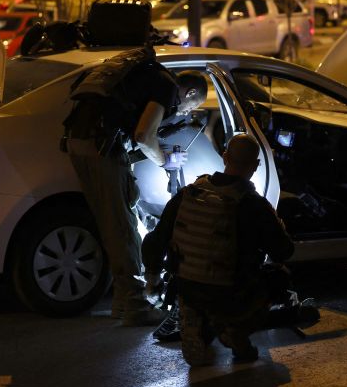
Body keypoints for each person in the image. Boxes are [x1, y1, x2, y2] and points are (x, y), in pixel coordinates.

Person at [63, 47, 208, 326]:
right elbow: (143, 135)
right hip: (101, 146)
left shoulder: (146, 78)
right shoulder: (166, 87)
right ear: (189, 94)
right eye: (191, 107)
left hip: (79, 142)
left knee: (111, 222)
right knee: (122, 225)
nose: (184, 112)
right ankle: (135, 305)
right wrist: (165, 160)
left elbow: (136, 133)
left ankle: (122, 302)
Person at [142, 134, 296, 366]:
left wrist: (152, 279)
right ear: (255, 166)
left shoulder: (188, 194)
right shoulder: (254, 204)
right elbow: (284, 252)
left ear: (224, 157)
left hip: (187, 287)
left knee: (197, 289)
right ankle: (235, 328)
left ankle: (194, 320)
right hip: (230, 292)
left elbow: (155, 240)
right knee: (280, 277)